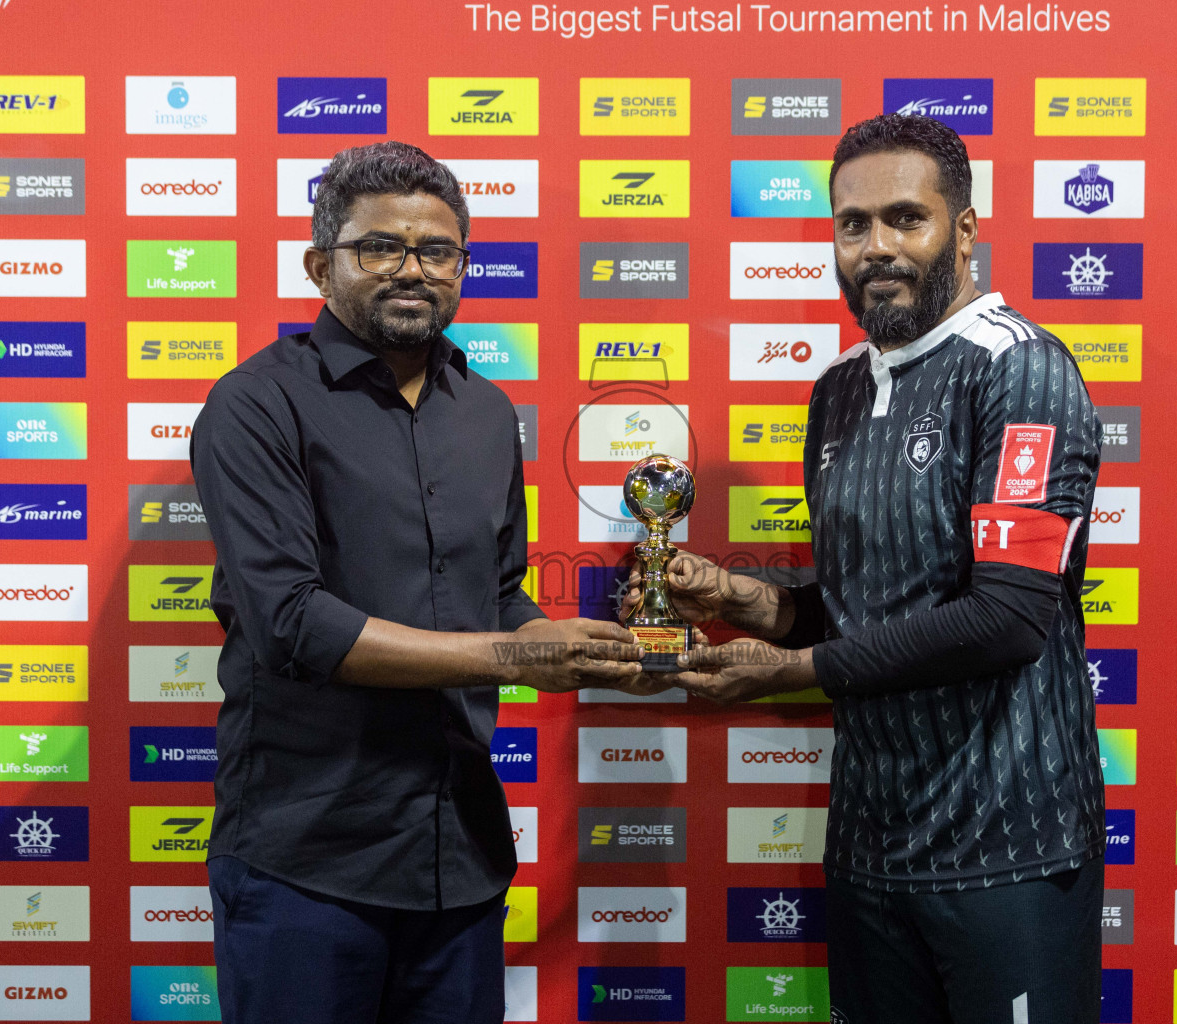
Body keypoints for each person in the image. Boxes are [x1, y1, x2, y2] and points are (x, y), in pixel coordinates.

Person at [655, 115, 1105, 1023]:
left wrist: (791, 676)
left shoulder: (1022, 370)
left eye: (906, 218)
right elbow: (869, 607)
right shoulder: (841, 389)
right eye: (852, 225)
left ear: (965, 229)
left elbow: (1008, 617)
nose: (877, 249)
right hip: (870, 847)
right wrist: (745, 601)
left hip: (1005, 848)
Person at [189, 140, 646, 1024]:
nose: (412, 269)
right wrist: (515, 653)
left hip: (459, 856)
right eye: (380, 248)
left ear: (463, 268)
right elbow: (293, 625)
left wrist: (573, 645)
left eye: (438, 251)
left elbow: (498, 594)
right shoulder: (254, 405)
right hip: (307, 860)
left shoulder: (484, 413)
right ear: (321, 264)